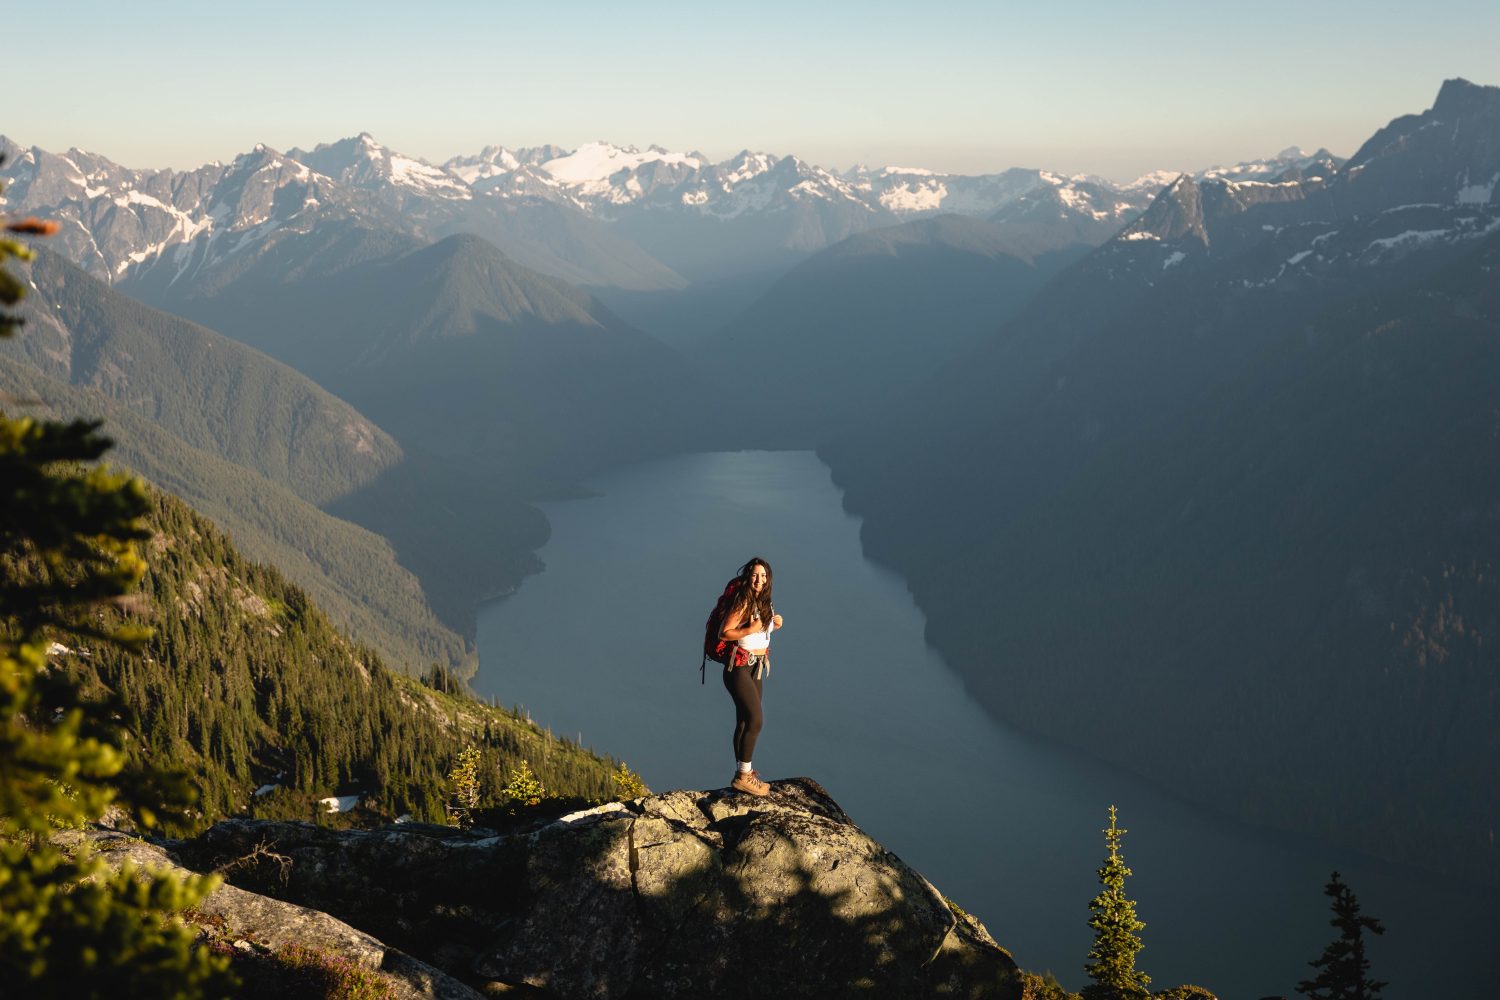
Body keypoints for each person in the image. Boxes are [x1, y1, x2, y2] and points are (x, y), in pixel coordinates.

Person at [718, 557, 784, 797]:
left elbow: (758, 632)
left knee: (745, 721)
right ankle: (744, 776)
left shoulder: (762, 601)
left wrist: (772, 626)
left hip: (754, 667)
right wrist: (749, 629)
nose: (759, 580)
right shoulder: (743, 600)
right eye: (755, 575)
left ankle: (743, 773)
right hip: (739, 668)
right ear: (747, 577)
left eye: (763, 575)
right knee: (756, 720)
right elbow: (724, 632)